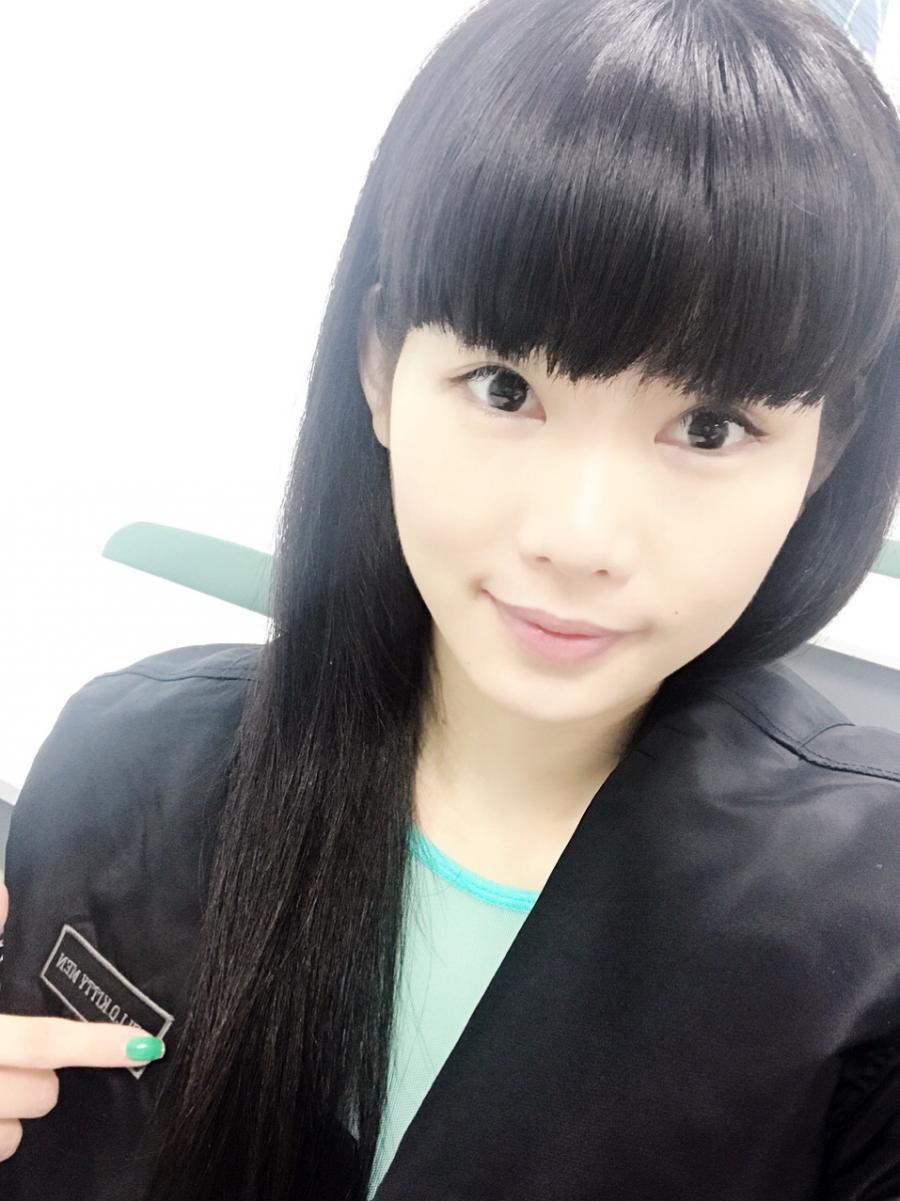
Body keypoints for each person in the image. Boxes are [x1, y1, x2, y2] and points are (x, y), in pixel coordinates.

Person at [2, 0, 900, 1197]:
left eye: (710, 426)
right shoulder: (124, 762)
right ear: (381, 366)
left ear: (825, 448)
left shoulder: (868, 939)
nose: (577, 539)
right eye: (503, 387)